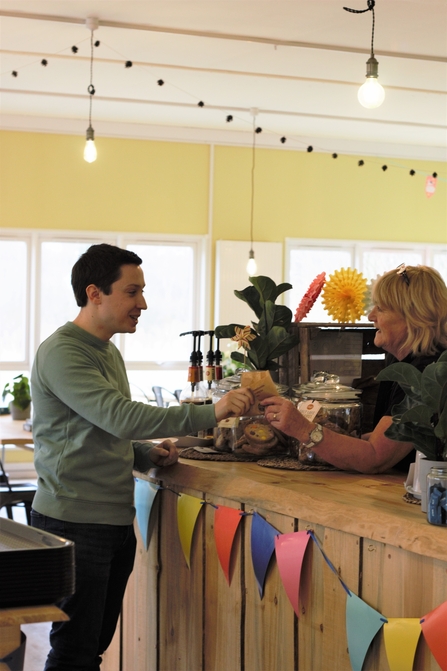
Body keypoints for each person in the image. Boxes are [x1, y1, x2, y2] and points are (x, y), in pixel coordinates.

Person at [30, 243, 254, 671]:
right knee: (73, 654)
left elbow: (99, 430)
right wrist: (213, 410)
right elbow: (118, 416)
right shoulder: (63, 351)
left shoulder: (108, 351)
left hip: (112, 520)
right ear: (95, 293)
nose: (143, 303)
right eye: (132, 292)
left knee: (90, 650)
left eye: (143, 292)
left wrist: (145, 453)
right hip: (73, 521)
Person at [262, 265, 447, 474]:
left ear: (414, 316)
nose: (370, 316)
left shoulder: (430, 373)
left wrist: (303, 428)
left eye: (381, 308)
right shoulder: (404, 364)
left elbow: (376, 456)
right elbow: (379, 440)